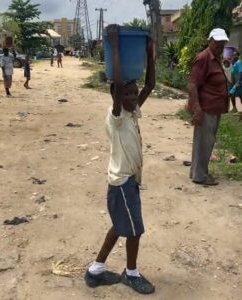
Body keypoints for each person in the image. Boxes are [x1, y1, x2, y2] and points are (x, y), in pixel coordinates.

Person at [84, 25, 156, 295]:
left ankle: (95, 271)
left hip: (128, 182)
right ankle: (131, 273)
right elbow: (117, 83)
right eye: (126, 94)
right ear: (115, 95)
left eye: (133, 94)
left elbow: (149, 84)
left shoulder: (133, 111)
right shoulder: (115, 117)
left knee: (119, 226)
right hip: (122, 182)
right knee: (134, 229)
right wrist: (114, 46)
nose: (132, 97)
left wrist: (149, 52)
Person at [188, 28, 229, 186]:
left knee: (205, 142)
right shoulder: (204, 58)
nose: (220, 46)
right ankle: (200, 175)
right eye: (217, 43)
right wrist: (197, 109)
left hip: (214, 108)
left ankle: (196, 172)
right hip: (206, 108)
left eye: (222, 44)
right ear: (209, 41)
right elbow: (192, 84)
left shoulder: (216, 58)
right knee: (204, 142)